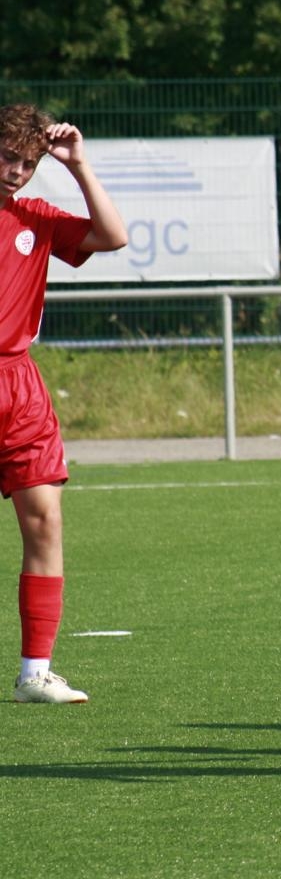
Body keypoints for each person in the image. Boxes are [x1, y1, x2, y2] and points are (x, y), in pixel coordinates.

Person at [2, 105, 128, 705]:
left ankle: (35, 673)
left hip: (19, 387)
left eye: (28, 163)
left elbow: (113, 236)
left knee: (45, 520)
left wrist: (78, 166)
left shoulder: (36, 216)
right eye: (9, 157)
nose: (17, 172)